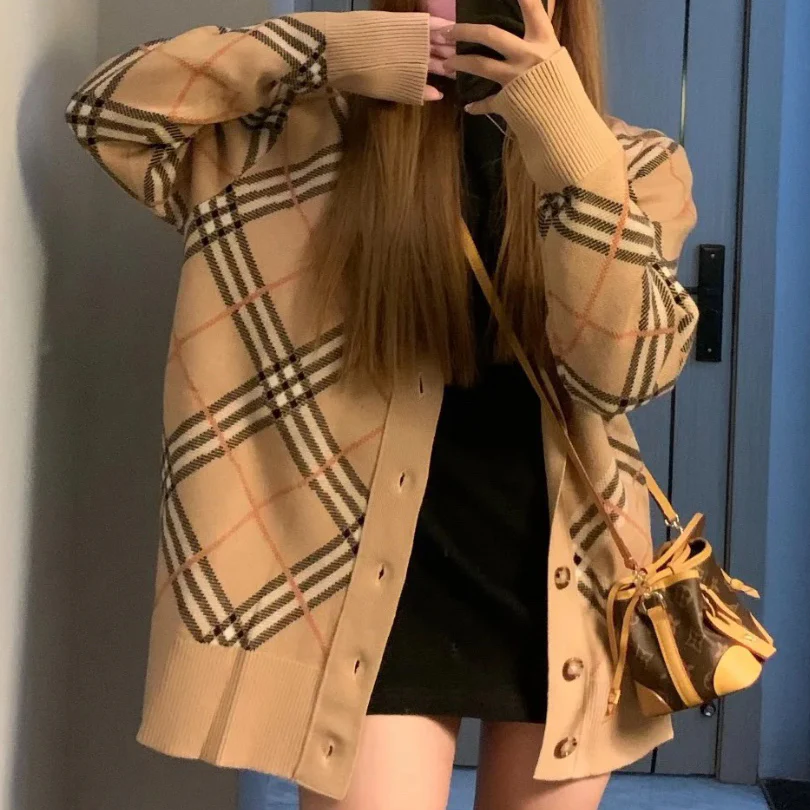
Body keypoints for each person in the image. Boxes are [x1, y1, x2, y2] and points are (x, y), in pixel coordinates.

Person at [65, 0, 698, 807]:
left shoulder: (632, 161)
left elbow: (627, 374)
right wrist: (332, 48)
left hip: (568, 595)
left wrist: (572, 145)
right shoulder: (289, 142)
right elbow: (110, 111)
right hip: (366, 600)